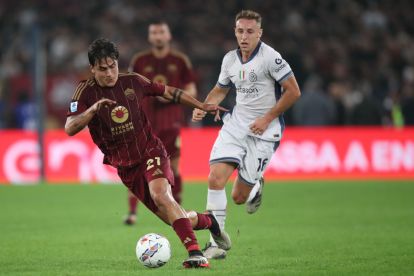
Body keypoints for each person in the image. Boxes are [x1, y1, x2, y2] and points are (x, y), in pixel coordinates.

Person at [64, 38, 230, 268]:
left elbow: (169, 92)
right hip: (126, 166)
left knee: (161, 195)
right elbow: (70, 128)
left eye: (113, 66)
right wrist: (92, 110)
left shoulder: (133, 81)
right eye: (103, 69)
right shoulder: (85, 92)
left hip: (151, 151)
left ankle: (195, 253)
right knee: (174, 216)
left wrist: (201, 105)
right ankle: (209, 220)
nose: (110, 73)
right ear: (92, 68)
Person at [192, 10, 301, 259]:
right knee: (214, 179)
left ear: (259, 33)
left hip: (265, 131)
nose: (244, 36)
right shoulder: (229, 59)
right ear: (235, 32)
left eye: (250, 31)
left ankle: (255, 185)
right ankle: (215, 244)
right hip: (236, 125)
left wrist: (266, 118)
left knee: (239, 197)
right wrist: (203, 106)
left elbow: (294, 92)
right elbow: (220, 90)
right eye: (240, 31)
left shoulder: (271, 58)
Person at [125, 20, 197, 225]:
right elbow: (129, 87)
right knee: (135, 168)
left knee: (173, 168)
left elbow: (191, 90)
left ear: (168, 36)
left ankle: (178, 209)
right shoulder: (139, 60)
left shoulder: (180, 60)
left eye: (161, 32)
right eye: (154, 32)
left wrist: (170, 95)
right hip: (143, 125)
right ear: (149, 37)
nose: (157, 36)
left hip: (170, 123)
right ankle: (132, 212)